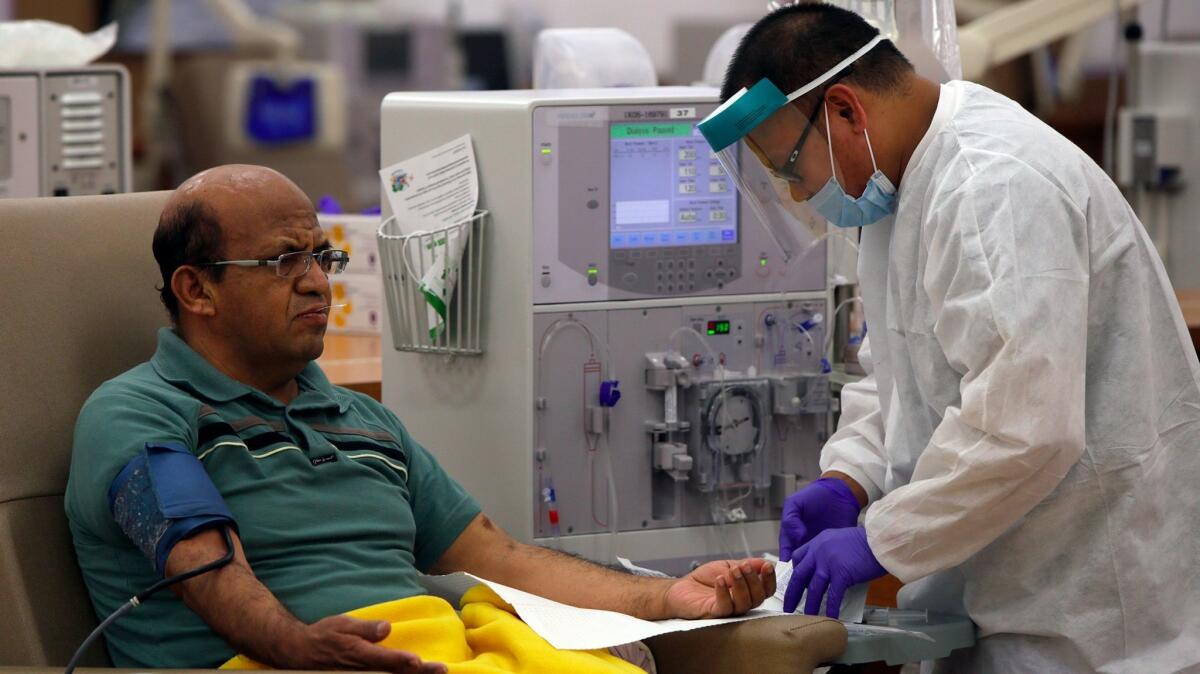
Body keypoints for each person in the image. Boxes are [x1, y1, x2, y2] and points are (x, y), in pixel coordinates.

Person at [64, 165, 776, 672]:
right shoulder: (139, 413)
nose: (318, 281)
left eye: (321, 255)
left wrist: (663, 596)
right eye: (283, 261)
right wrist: (298, 648)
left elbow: (497, 559)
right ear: (197, 290)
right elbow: (205, 566)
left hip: (424, 654)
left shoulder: (364, 421)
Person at [700, 4, 1200, 672]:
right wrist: (850, 477)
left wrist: (879, 538)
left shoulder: (994, 186)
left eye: (791, 168)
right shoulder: (897, 187)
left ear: (846, 111)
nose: (797, 196)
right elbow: (898, 376)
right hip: (992, 597)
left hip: (1090, 621)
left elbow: (1024, 428)